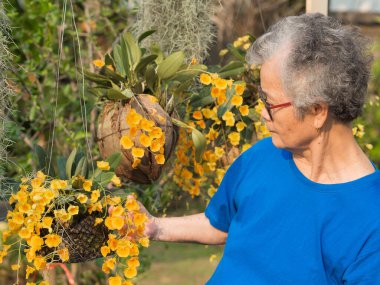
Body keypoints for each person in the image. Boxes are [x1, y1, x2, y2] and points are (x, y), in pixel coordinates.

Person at [134, 13, 380, 284]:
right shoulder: (263, 155)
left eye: (270, 103)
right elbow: (220, 225)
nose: (262, 113)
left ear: (318, 111)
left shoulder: (371, 219)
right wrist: (155, 227)